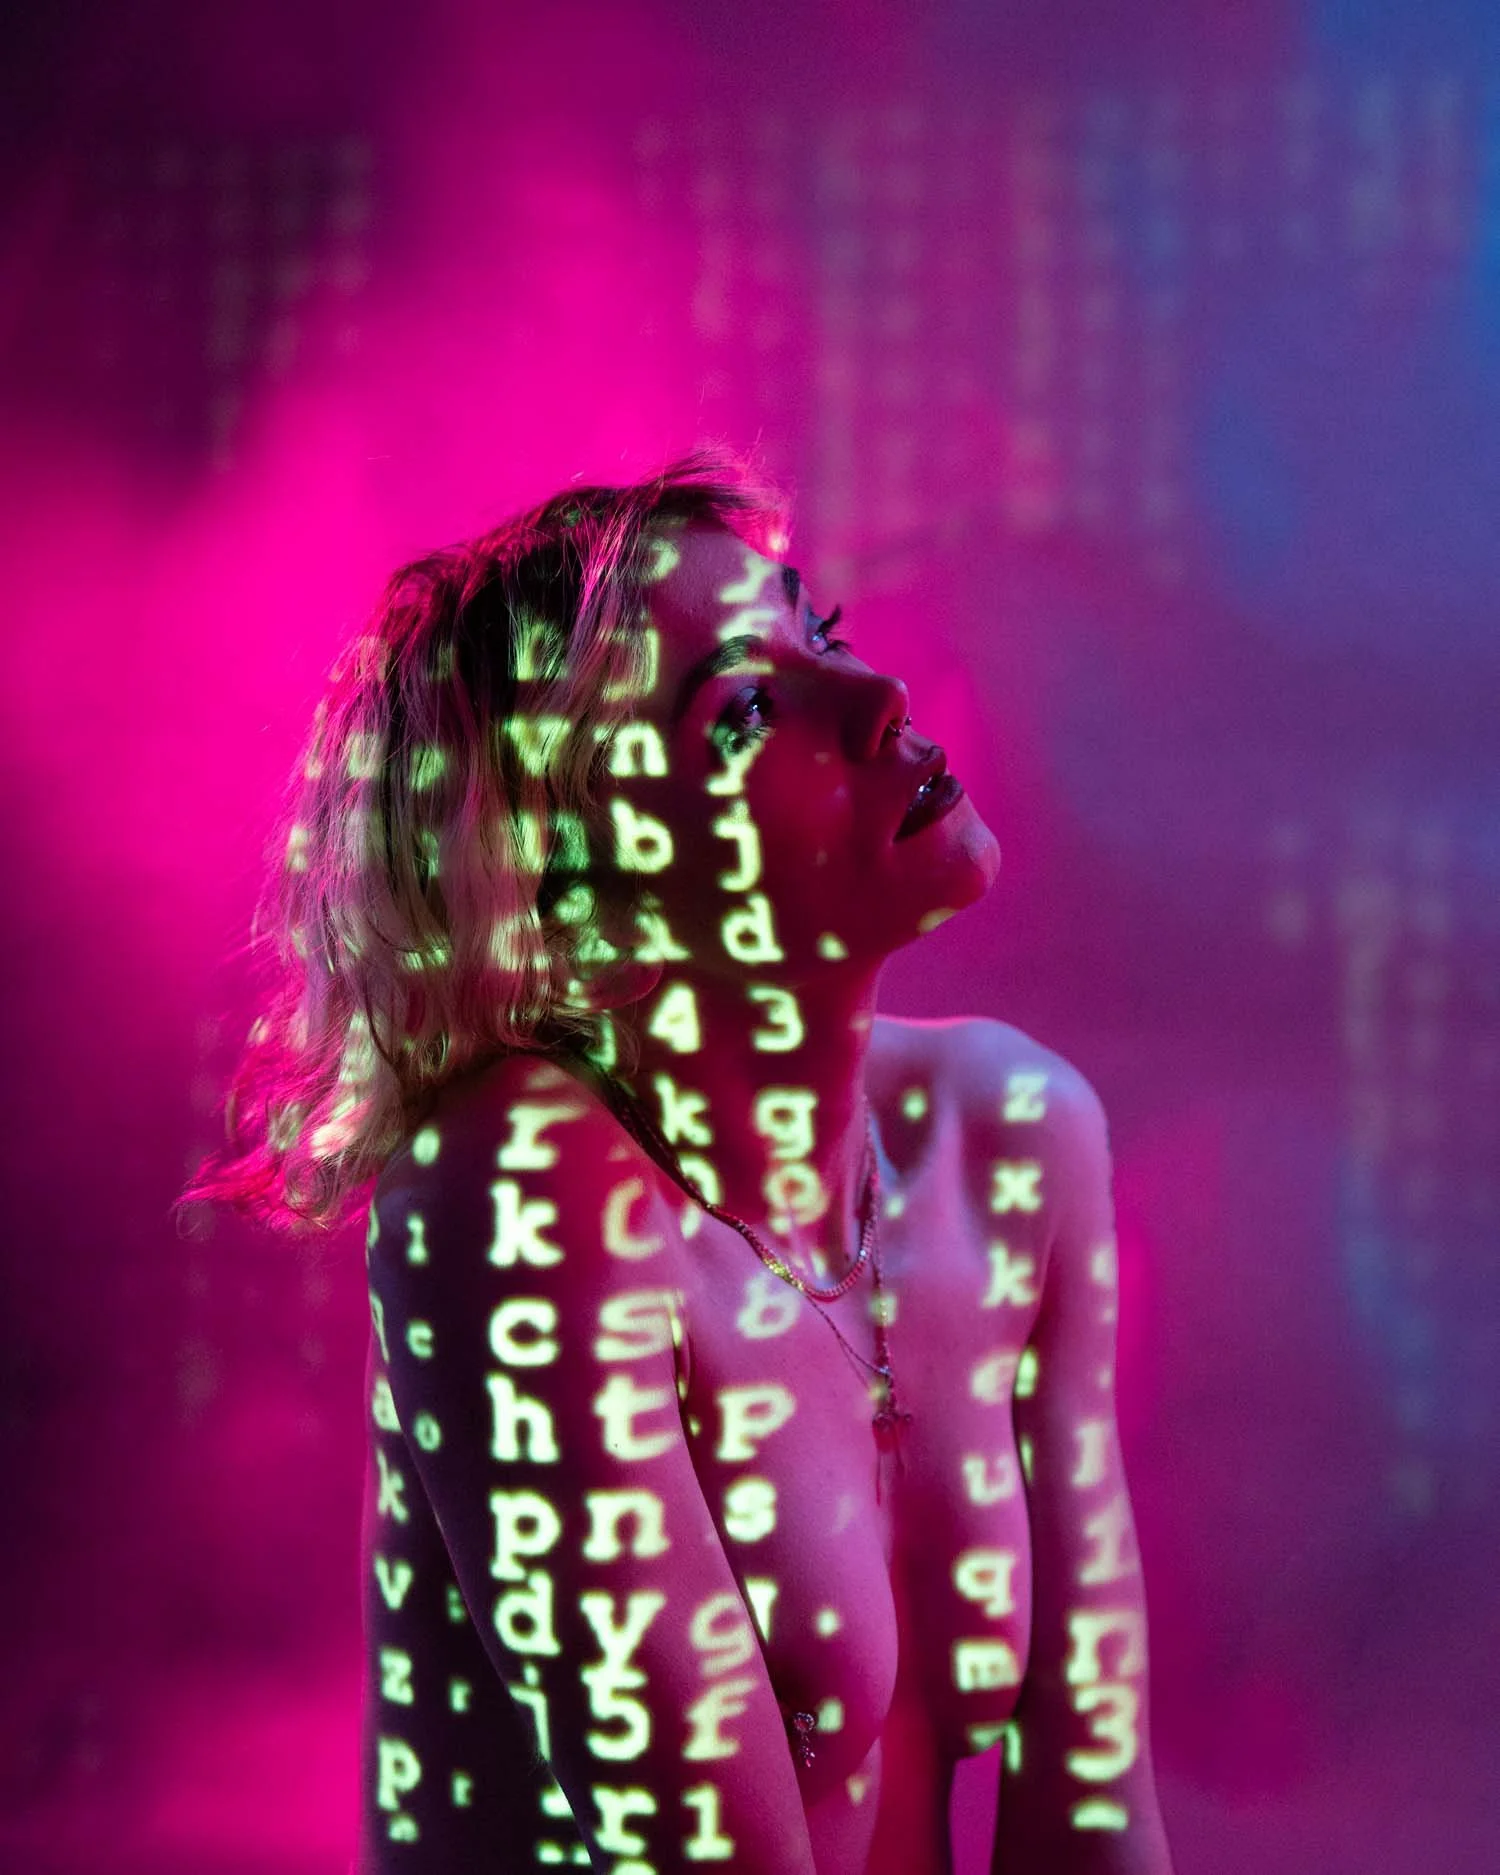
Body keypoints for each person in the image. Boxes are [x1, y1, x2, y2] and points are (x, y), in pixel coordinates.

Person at [189, 453, 1174, 1874]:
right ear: (586, 891)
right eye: (746, 711)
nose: (880, 696)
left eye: (817, 629)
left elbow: (1093, 1820)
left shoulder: (1011, 1139)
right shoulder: (517, 1190)